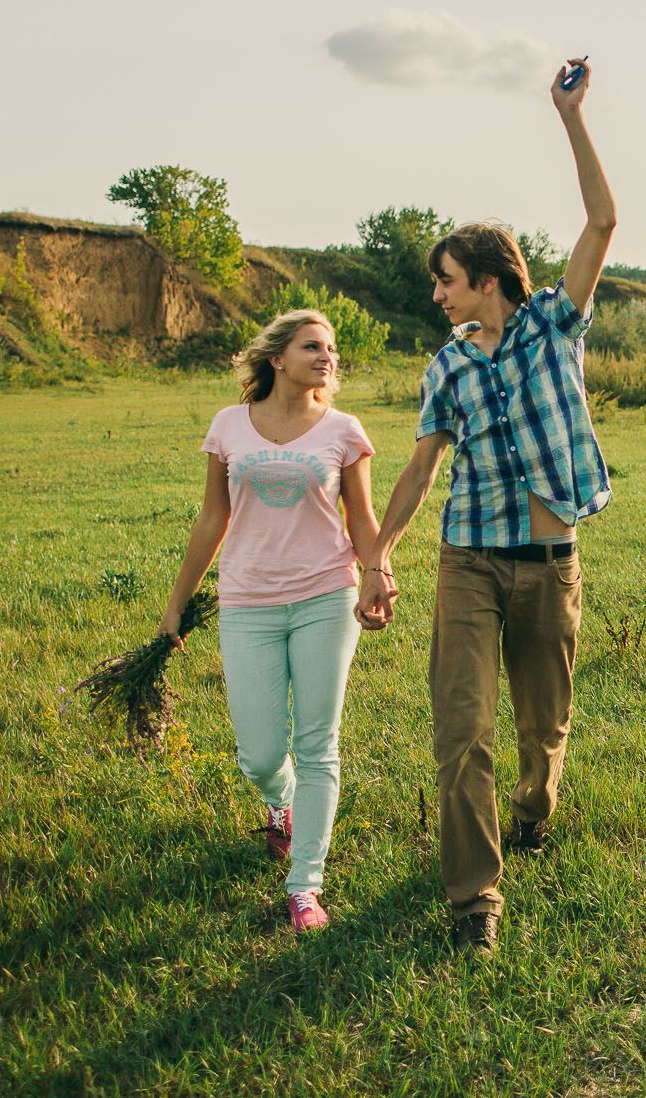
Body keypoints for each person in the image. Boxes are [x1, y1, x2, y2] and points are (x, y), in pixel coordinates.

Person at [363, 57, 616, 956]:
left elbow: (602, 221)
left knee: (543, 728)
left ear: (487, 277)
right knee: (461, 727)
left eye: (446, 279)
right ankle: (475, 898)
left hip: (548, 564)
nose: (436, 294)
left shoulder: (552, 324)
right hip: (467, 560)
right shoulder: (446, 366)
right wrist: (378, 549)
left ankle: (535, 807)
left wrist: (570, 116)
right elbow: (421, 466)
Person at [159, 308, 390, 933]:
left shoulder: (343, 430)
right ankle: (279, 801)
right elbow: (213, 518)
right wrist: (178, 601)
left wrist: (378, 573)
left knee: (317, 743)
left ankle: (305, 885)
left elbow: (361, 518)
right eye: (313, 346)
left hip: (325, 596)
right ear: (277, 358)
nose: (327, 358)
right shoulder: (229, 425)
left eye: (331, 349)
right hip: (247, 602)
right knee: (260, 753)